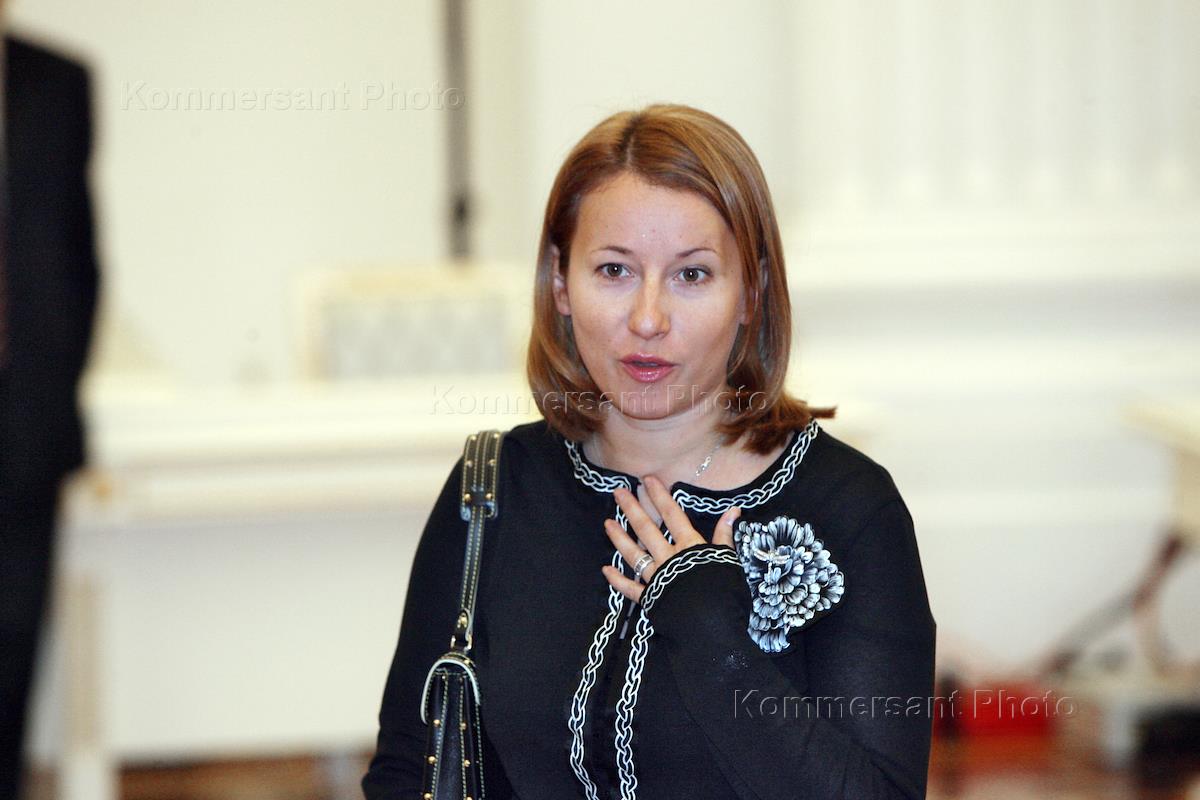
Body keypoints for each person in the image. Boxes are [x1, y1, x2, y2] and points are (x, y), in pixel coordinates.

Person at [362, 103, 936, 799]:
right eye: (614, 270)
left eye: (692, 275)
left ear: (751, 291)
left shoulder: (850, 507)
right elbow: (409, 770)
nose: (648, 319)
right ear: (559, 282)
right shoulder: (496, 487)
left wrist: (713, 636)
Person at [0, 30, 101, 800]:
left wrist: (54, 382)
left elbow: (78, 257)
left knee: (12, 649)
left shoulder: (54, 83)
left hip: (24, 424)